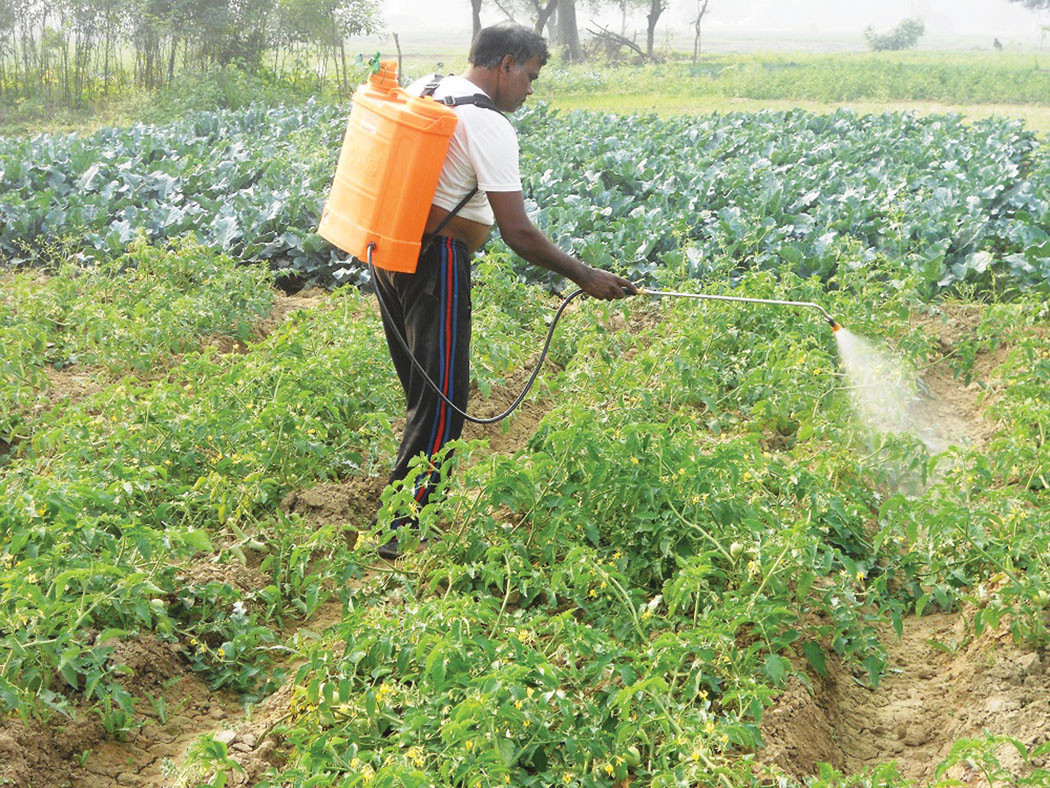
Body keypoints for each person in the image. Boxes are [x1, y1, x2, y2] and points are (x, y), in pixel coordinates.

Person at [372, 22, 637, 559]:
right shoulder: (487, 123)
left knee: (425, 398)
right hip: (435, 263)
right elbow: (518, 231)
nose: (530, 90)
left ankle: (403, 507)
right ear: (506, 65)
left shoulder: (428, 86)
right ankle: (402, 530)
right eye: (531, 77)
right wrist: (584, 275)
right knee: (444, 406)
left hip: (387, 252)